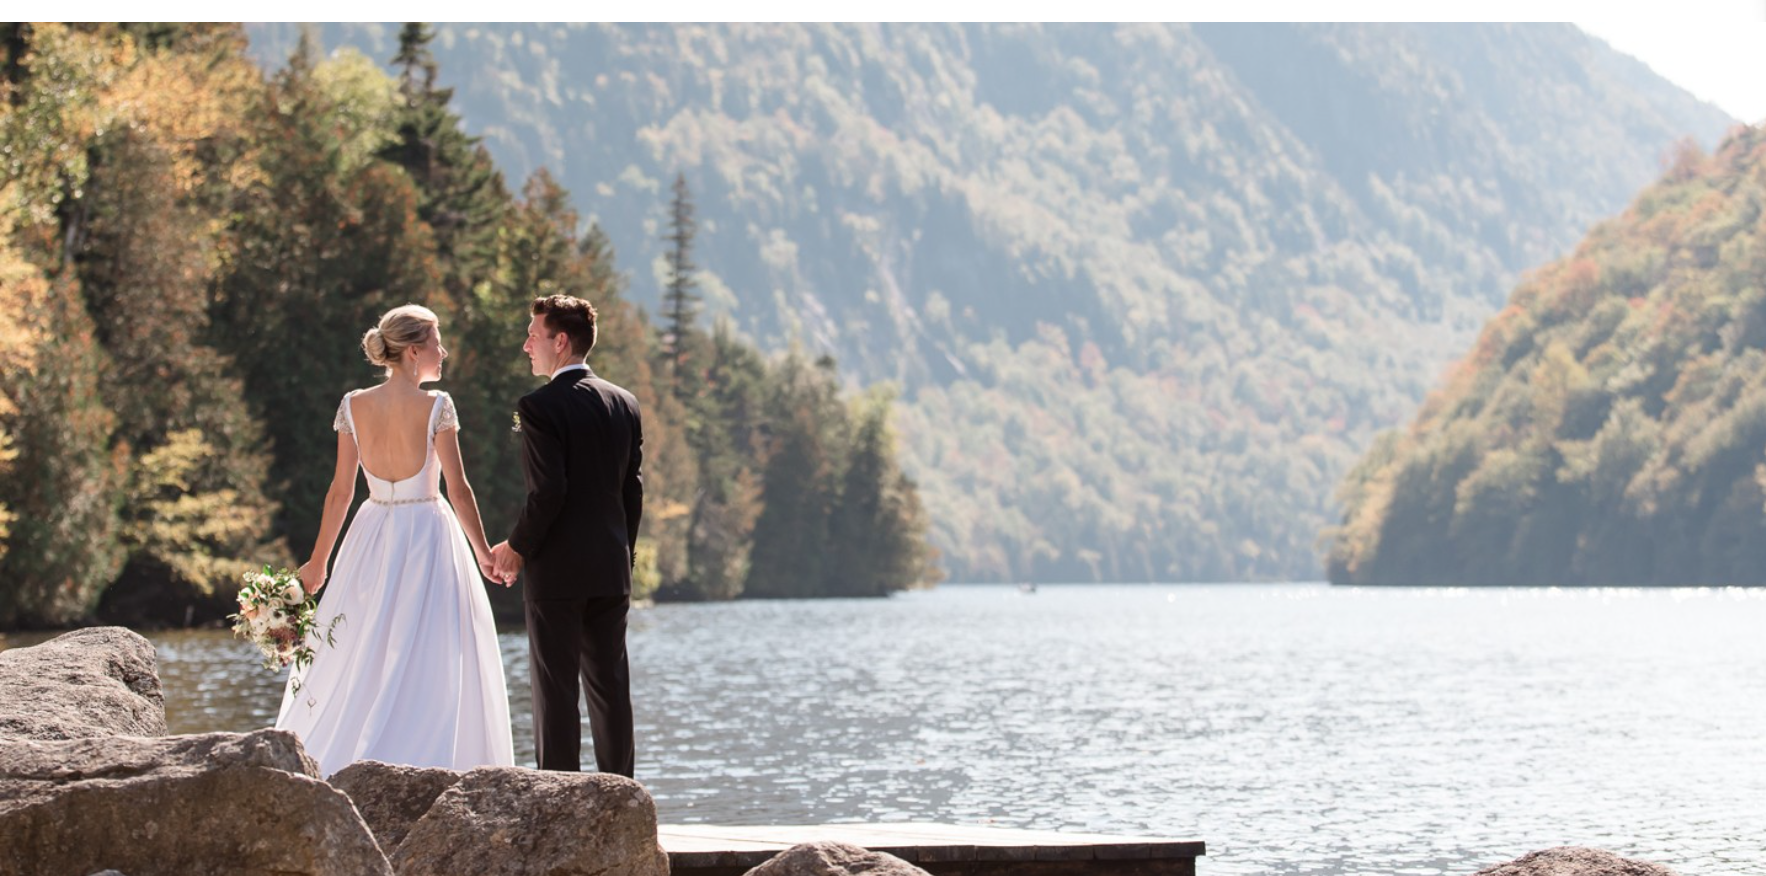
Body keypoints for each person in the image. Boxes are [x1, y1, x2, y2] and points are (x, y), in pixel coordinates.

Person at [275, 304, 514, 777]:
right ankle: (431, 759)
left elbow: (341, 492)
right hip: (427, 532)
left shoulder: (353, 405)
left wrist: (318, 561)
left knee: (363, 643)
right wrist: (484, 552)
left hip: (370, 532)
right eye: (436, 342)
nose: (443, 352)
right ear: (412, 351)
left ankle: (346, 757)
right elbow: (458, 489)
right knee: (435, 649)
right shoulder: (437, 406)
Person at [489, 294, 644, 777]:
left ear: (560, 341)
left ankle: (558, 804)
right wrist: (624, 555)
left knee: (555, 692)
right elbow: (631, 492)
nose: (526, 345)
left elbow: (548, 492)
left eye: (533, 336)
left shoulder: (540, 406)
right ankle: (623, 798)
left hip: (557, 571)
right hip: (611, 568)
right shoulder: (625, 402)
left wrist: (515, 548)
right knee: (611, 688)